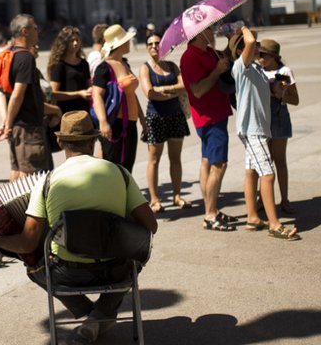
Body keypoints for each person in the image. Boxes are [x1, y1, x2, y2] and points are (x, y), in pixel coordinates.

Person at [0, 110, 158, 343]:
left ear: (59, 142)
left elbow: (27, 242)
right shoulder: (120, 173)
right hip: (115, 268)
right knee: (136, 258)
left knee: (34, 268)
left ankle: (92, 316)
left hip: (68, 273)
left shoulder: (47, 181)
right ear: (94, 139)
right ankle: (101, 314)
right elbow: (150, 226)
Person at [230, 28, 299, 240]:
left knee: (251, 171)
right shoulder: (240, 67)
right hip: (252, 129)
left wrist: (279, 89)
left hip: (260, 127)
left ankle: (253, 217)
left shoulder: (258, 70)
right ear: (242, 50)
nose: (258, 51)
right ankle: (275, 225)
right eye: (254, 48)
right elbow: (249, 42)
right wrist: (243, 28)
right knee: (268, 174)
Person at [181, 24, 234, 231]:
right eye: (209, 29)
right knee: (218, 165)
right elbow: (198, 90)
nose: (212, 32)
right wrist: (216, 71)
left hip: (216, 114)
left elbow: (225, 59)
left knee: (207, 163)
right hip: (209, 117)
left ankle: (210, 208)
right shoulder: (190, 57)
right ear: (199, 33)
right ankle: (210, 214)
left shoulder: (208, 51)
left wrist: (230, 40)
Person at [0, 14, 58, 178]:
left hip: (17, 124)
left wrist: (7, 122)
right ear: (25, 32)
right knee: (29, 174)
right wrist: (7, 124)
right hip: (28, 126)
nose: (38, 31)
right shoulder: (26, 58)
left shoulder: (9, 55)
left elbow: (2, 93)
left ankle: (12, 205)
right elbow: (18, 94)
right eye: (34, 27)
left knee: (17, 170)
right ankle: (28, 205)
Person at [139, 31, 191, 212]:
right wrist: (173, 92)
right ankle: (154, 200)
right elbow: (150, 93)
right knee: (154, 160)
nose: (154, 46)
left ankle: (177, 196)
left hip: (175, 115)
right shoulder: (145, 68)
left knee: (175, 158)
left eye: (157, 43)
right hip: (155, 117)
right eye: (151, 44)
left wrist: (165, 89)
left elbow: (184, 85)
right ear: (147, 48)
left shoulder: (171, 65)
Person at [92, 24, 143, 172]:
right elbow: (97, 95)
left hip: (130, 123)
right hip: (114, 123)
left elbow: (131, 93)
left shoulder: (124, 63)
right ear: (119, 44)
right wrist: (103, 122)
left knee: (127, 167)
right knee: (113, 168)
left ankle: (125, 194)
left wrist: (142, 118)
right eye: (126, 41)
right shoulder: (104, 67)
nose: (129, 43)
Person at [257, 39, 299, 214]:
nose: (259, 58)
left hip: (279, 117)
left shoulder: (284, 71)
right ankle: (262, 200)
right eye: (258, 54)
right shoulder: (257, 71)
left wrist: (279, 94)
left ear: (273, 57)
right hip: (261, 119)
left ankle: (284, 199)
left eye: (263, 55)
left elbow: (295, 100)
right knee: (263, 163)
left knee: (279, 160)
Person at [48, 26, 92, 119]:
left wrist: (90, 90)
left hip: (84, 113)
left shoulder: (84, 63)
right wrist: (79, 93)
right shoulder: (59, 65)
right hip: (66, 114)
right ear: (64, 43)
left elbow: (89, 85)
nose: (75, 43)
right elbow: (54, 94)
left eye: (77, 40)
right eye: (71, 41)